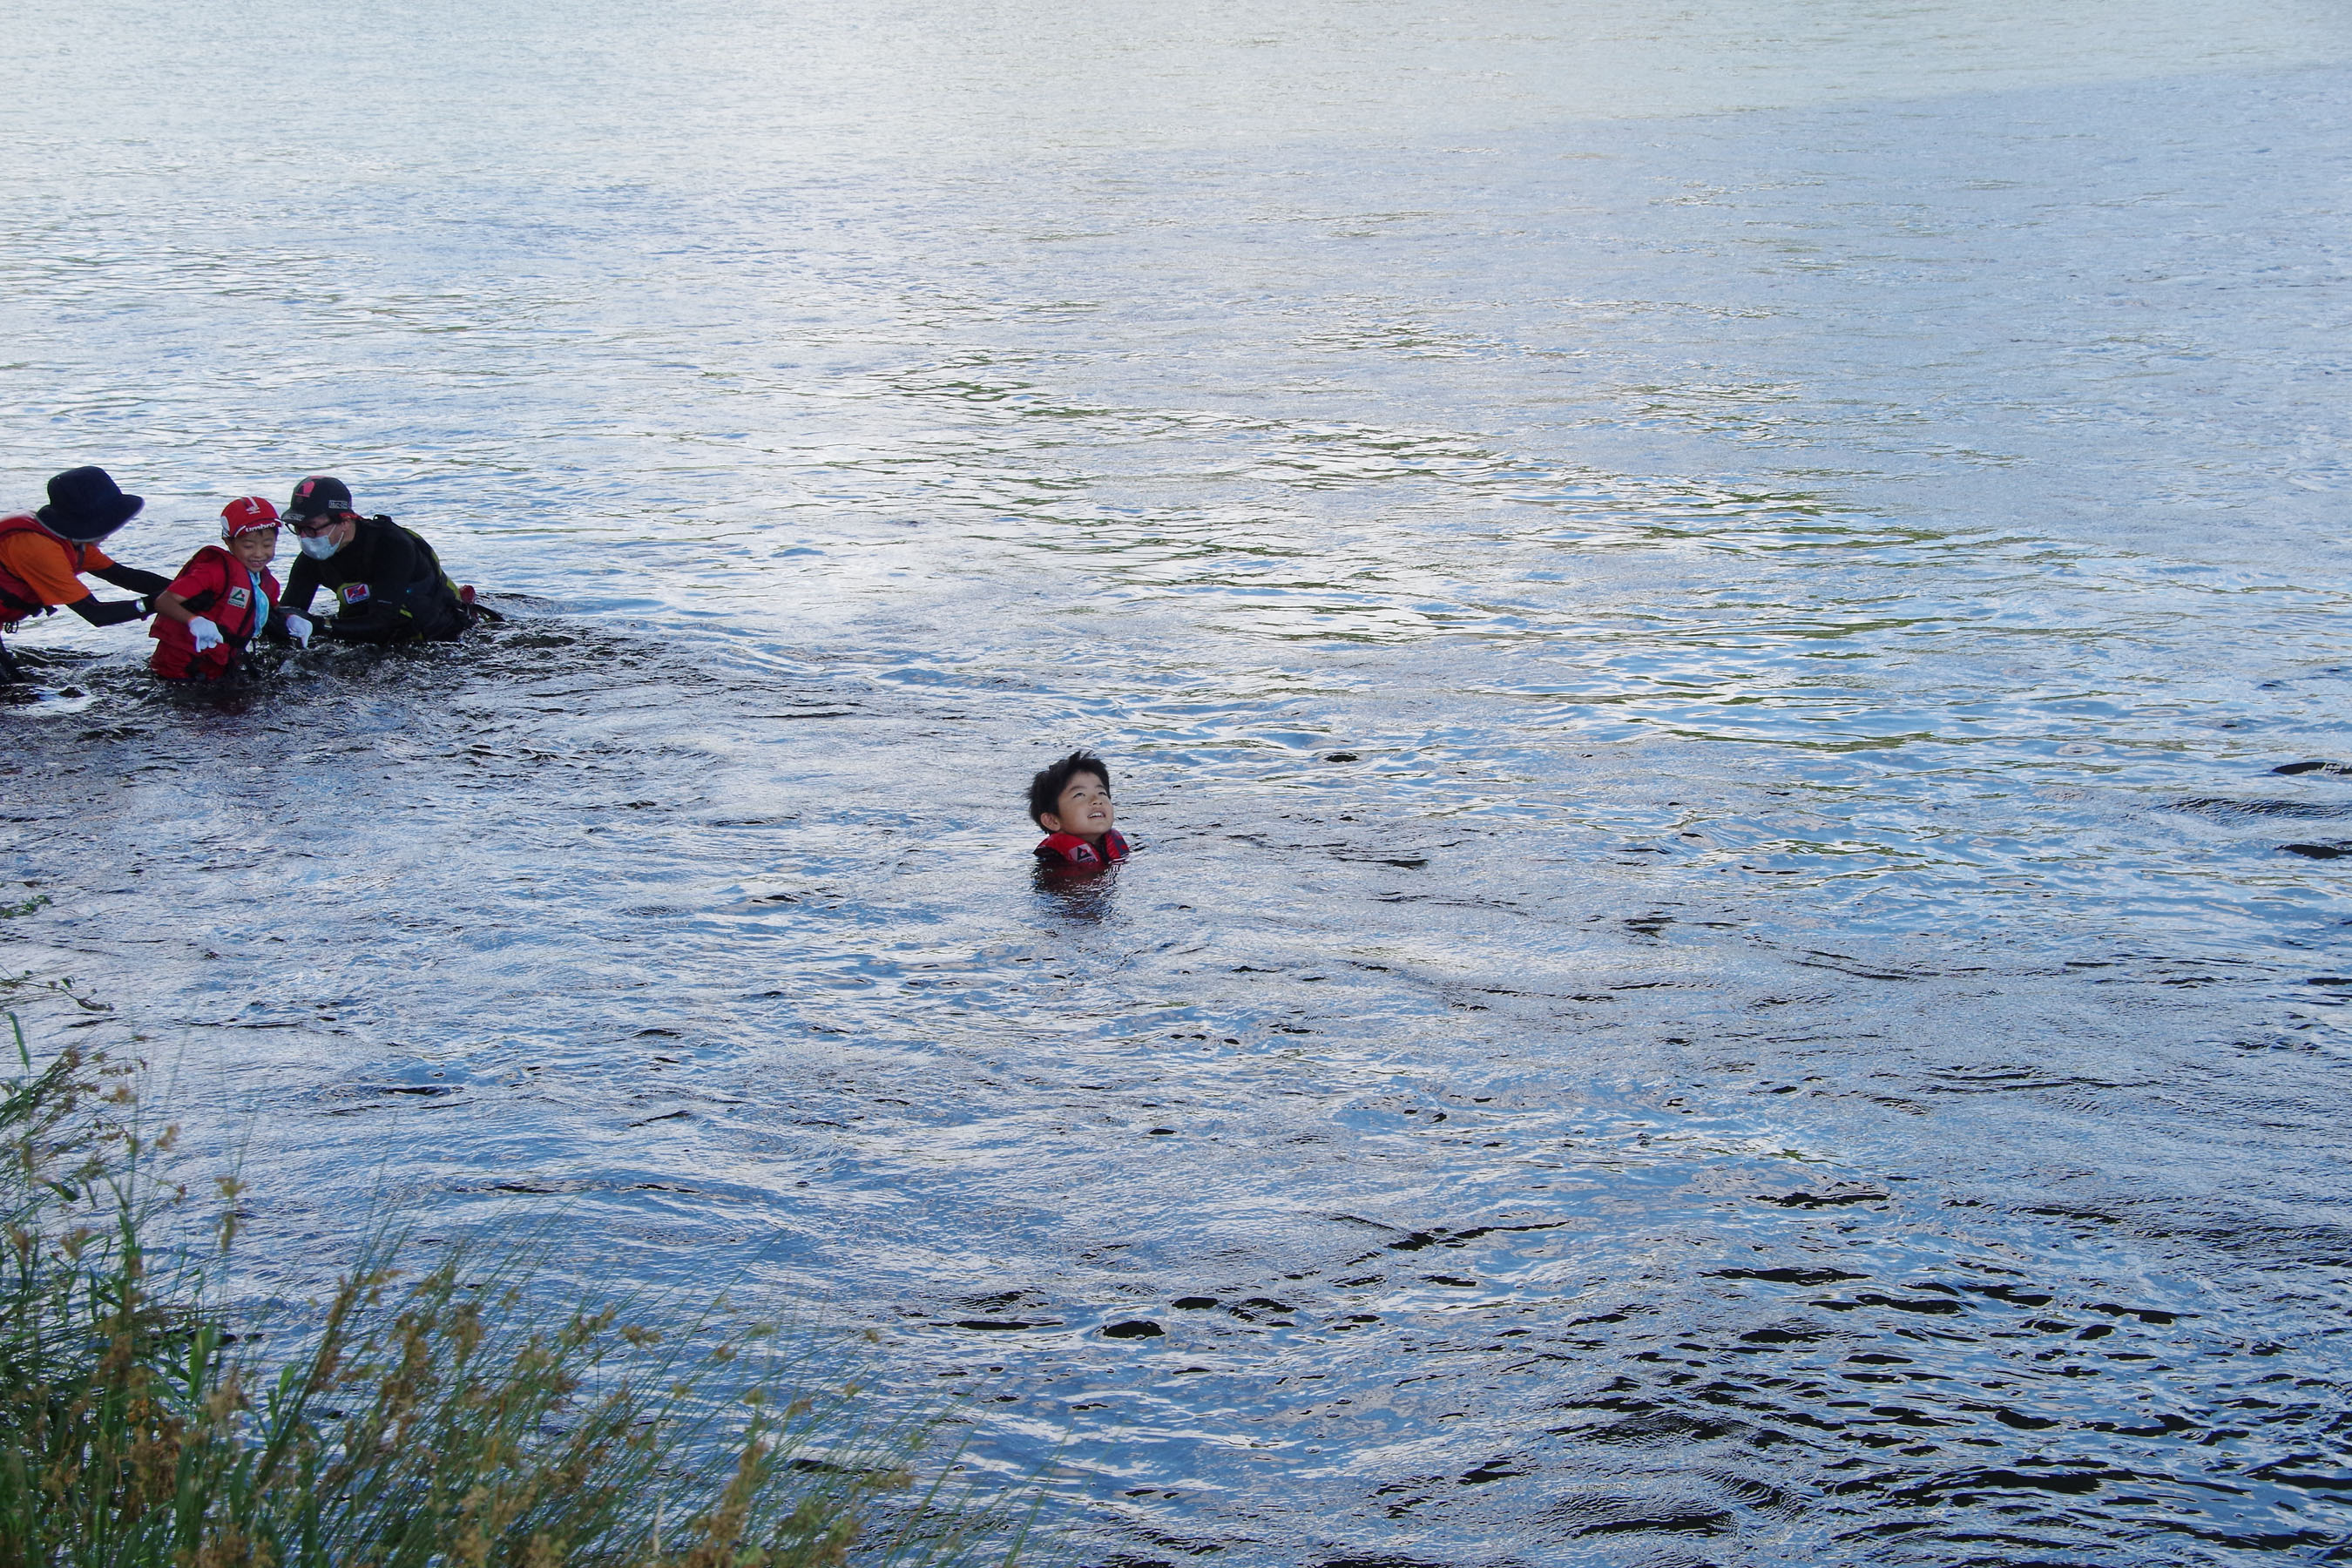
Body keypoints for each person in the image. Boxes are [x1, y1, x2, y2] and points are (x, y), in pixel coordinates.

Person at [0, 467, 172, 679]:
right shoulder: (37, 549)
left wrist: (187, 589)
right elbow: (95, 613)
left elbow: (123, 575)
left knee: (14, 688)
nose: (110, 533)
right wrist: (156, 603)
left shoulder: (67, 540)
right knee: (16, 696)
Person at [276, 475, 473, 643]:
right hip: (369, 634)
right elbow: (289, 614)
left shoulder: (392, 546)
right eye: (298, 527)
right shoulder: (311, 560)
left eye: (311, 527)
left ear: (344, 521)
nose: (304, 537)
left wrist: (320, 625)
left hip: (436, 635)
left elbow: (383, 621)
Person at [148, 497, 314, 681]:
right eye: (248, 546)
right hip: (177, 670)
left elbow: (268, 609)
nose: (259, 553)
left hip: (220, 667)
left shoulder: (266, 583)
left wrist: (290, 620)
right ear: (228, 541)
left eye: (267, 545)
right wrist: (194, 621)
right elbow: (163, 601)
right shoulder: (212, 572)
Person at [1030, 750, 1131, 871]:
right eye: (1080, 795)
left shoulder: (1112, 845)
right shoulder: (1052, 860)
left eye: (1101, 793)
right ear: (1052, 821)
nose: (1097, 800)